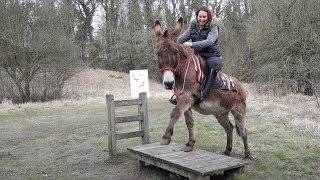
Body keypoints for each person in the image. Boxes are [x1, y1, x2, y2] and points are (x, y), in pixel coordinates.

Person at [177, 6, 223, 103]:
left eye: (204, 17)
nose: (202, 19)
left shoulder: (213, 27)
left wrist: (191, 44)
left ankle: (203, 94)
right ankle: (180, 93)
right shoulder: (193, 27)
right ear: (197, 16)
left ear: (208, 17)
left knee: (212, 65)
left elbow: (209, 41)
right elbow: (181, 39)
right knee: (183, 65)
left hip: (213, 56)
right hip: (198, 55)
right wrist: (171, 42)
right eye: (200, 17)